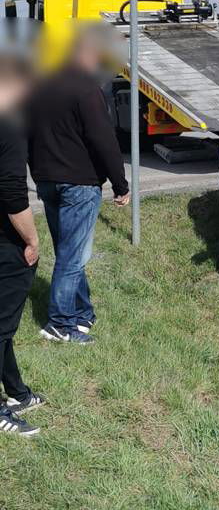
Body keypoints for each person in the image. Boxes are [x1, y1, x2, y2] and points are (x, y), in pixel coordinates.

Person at [28, 25, 130, 345]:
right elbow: (103, 139)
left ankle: (81, 314)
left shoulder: (41, 85)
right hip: (79, 184)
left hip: (47, 180)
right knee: (72, 256)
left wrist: (38, 171)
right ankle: (60, 324)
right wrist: (120, 184)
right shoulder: (87, 88)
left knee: (68, 250)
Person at [0, 40, 46, 436]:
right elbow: (13, 193)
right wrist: (32, 240)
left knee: (3, 325)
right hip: (5, 242)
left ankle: (16, 391)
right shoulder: (10, 122)